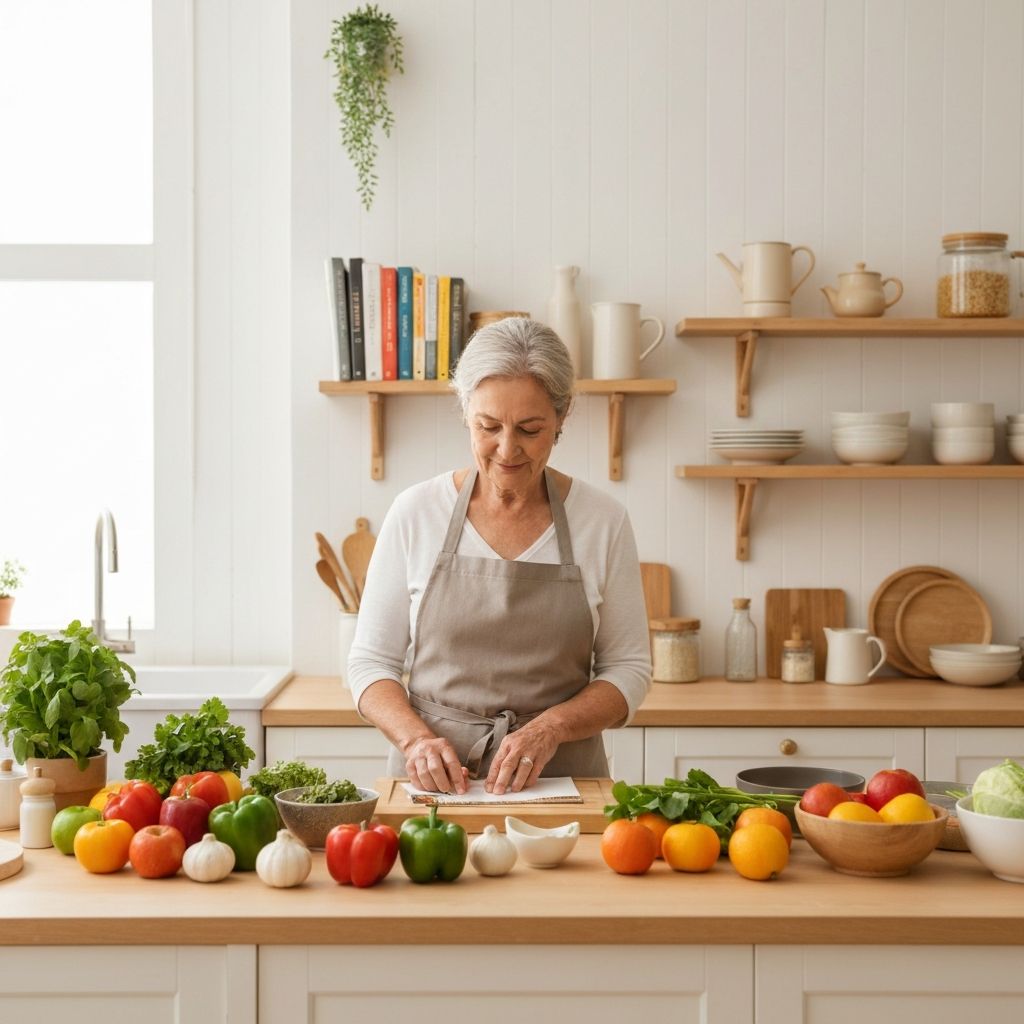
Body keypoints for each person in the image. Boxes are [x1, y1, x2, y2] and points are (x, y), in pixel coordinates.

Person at [347, 318, 651, 795]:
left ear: (563, 416)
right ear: (465, 410)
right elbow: (370, 663)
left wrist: (550, 728)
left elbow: (628, 668)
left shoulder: (603, 521)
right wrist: (416, 742)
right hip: (436, 785)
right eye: (488, 427)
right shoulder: (415, 512)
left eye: (530, 430)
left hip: (564, 779)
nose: (507, 450)